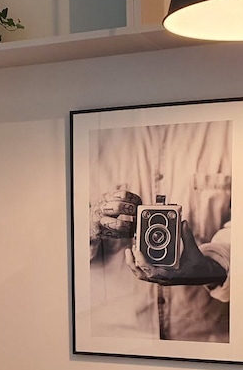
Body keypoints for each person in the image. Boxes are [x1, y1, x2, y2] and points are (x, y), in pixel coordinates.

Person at [87, 120, 233, 343]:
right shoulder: (88, 136)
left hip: (206, 337)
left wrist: (212, 267)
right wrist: (88, 227)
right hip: (113, 336)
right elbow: (52, 238)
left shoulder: (228, 127)